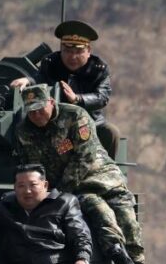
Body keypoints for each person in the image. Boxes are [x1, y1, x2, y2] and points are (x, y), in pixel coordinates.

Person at [13, 84, 145, 264]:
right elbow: (32, 167)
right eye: (31, 111)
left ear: (51, 103)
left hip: (100, 177)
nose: (36, 115)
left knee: (129, 222)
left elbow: (84, 158)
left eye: (40, 108)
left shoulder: (75, 116)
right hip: (78, 190)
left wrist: (58, 193)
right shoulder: (24, 132)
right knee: (101, 214)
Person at [10, 20, 120, 159]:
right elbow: (39, 78)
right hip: (58, 127)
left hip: (90, 125)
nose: (72, 57)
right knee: (62, 149)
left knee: (111, 133)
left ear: (88, 51)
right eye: (67, 51)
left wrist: (77, 99)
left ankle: (108, 174)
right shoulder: (51, 63)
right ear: (61, 49)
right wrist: (27, 80)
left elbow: (102, 97)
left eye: (79, 51)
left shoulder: (98, 69)